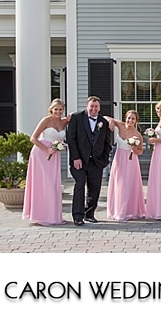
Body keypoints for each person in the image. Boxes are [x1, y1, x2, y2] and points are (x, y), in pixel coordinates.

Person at [65, 96, 114, 226]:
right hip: (79, 160)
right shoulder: (76, 117)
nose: (94, 109)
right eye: (91, 106)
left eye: (96, 106)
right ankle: (77, 216)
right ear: (87, 106)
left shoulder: (103, 122)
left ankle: (90, 214)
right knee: (80, 185)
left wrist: (104, 159)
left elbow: (107, 143)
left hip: (96, 161)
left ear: (99, 108)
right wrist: (75, 157)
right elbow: (71, 139)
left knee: (95, 188)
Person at [23, 98, 69, 225]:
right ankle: (40, 215)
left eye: (60, 110)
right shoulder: (46, 120)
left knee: (53, 185)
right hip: (41, 153)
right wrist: (47, 149)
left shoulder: (64, 122)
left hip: (55, 155)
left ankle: (53, 215)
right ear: (51, 110)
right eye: (56, 109)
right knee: (43, 184)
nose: (58, 112)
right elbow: (33, 138)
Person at [105, 110, 146, 222]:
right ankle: (116, 209)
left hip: (131, 161)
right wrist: (111, 122)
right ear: (125, 118)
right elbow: (106, 116)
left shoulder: (137, 134)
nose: (130, 120)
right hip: (118, 159)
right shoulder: (121, 126)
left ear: (136, 121)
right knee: (118, 183)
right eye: (128, 118)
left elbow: (140, 151)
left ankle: (128, 210)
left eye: (133, 119)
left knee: (127, 185)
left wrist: (134, 149)